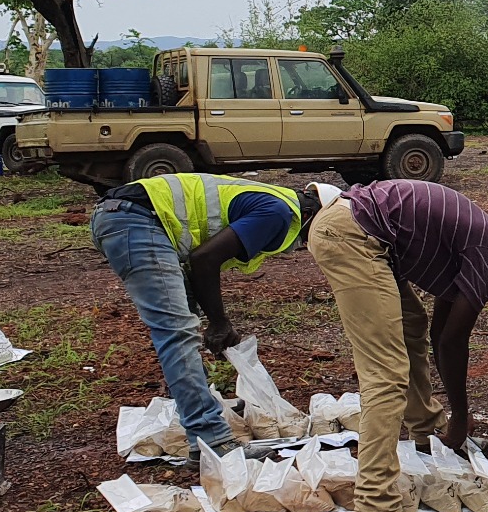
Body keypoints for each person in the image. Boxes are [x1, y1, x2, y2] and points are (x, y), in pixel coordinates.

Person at [306, 178, 488, 512]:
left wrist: (453, 426)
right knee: (387, 376)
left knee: (410, 326)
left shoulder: (487, 244)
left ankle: (428, 433)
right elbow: (452, 342)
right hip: (353, 237)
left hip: (362, 231)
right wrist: (461, 416)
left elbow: (439, 331)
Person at [90, 173, 333, 458]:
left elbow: (201, 261)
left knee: (182, 320)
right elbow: (204, 259)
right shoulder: (279, 213)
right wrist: (219, 321)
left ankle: (193, 407)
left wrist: (215, 319)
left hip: (131, 217)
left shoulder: (275, 201)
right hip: (137, 221)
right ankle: (210, 440)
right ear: (311, 213)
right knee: (177, 331)